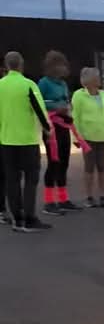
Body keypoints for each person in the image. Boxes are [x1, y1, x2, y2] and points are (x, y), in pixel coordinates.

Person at [0, 50, 51, 232]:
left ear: (7, 66)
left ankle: (17, 219)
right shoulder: (28, 85)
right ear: (21, 65)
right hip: (27, 140)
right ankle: (30, 219)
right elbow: (39, 109)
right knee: (30, 179)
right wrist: (48, 128)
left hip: (6, 140)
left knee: (12, 180)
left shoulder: (0, 85)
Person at [38, 50, 80, 215]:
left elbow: (66, 100)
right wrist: (56, 107)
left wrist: (68, 109)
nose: (65, 68)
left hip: (64, 126)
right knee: (53, 163)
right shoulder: (44, 83)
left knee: (64, 163)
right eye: (62, 64)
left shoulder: (62, 84)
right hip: (51, 127)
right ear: (54, 66)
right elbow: (39, 103)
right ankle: (49, 202)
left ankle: (63, 199)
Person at [71, 67, 104, 208]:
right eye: (97, 78)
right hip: (87, 137)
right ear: (90, 81)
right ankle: (89, 196)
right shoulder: (79, 96)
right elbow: (75, 118)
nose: (99, 80)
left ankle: (103, 196)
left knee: (102, 167)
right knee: (89, 168)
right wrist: (76, 138)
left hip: (102, 136)